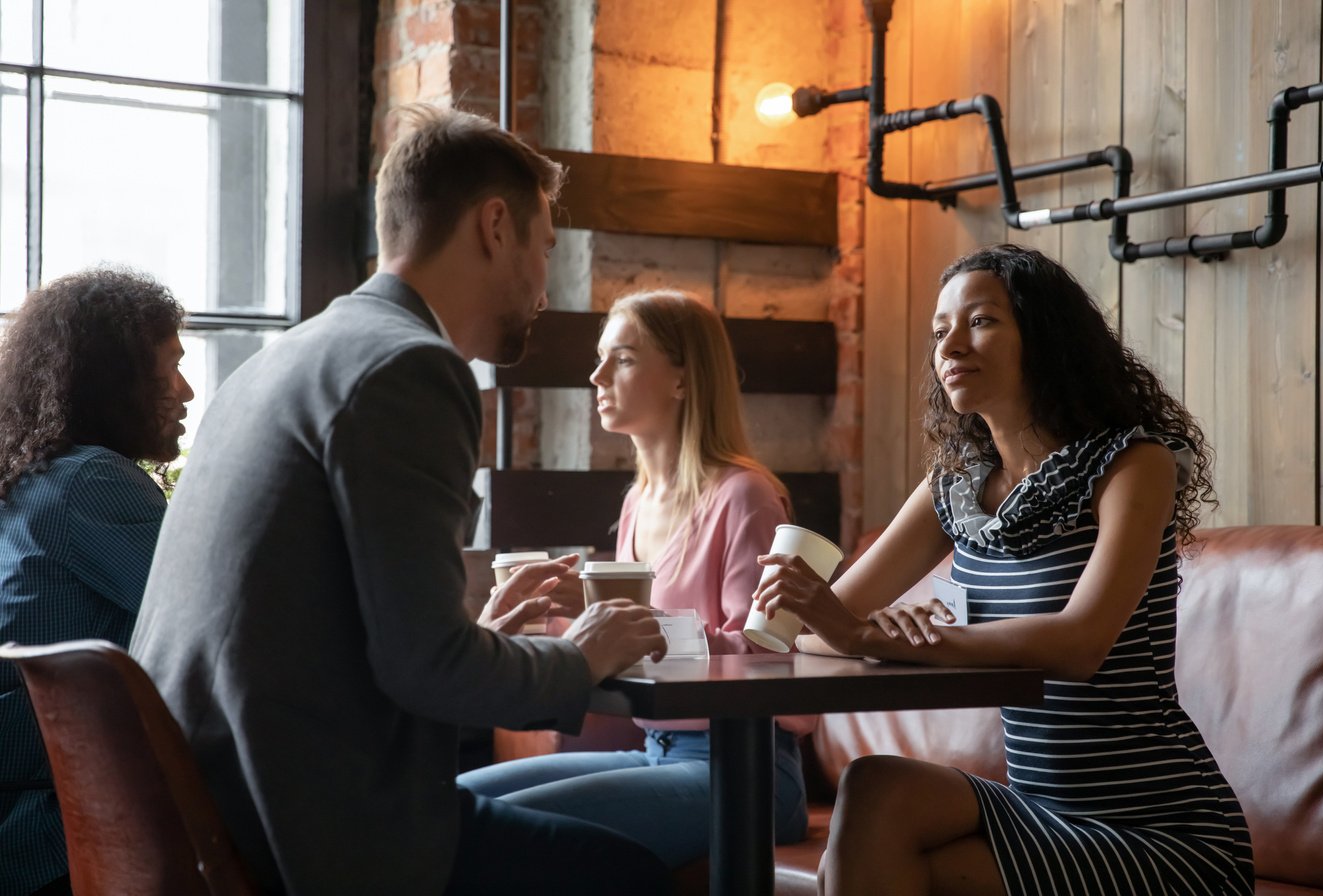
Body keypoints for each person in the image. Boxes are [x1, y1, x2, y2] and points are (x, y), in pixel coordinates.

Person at [129, 104, 670, 896]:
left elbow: (363, 643)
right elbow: (425, 669)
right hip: (309, 836)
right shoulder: (410, 369)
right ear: (495, 225)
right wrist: (578, 657)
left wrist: (478, 638)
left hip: (207, 816)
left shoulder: (284, 361)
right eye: (545, 247)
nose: (546, 287)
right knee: (631, 878)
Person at [755, 244, 1255, 895]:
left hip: (1161, 830)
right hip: (1043, 809)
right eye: (940, 332)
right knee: (875, 784)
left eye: (981, 321)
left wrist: (871, 636)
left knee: (885, 867)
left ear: (1044, 338)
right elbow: (823, 628)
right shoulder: (956, 484)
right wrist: (853, 620)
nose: (951, 346)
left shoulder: (1132, 465)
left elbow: (1081, 645)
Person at [459, 289, 812, 869]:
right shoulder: (638, 502)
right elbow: (634, 652)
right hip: (658, 750)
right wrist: (557, 616)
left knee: (494, 834)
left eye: (622, 359)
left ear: (682, 379)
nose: (596, 375)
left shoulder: (744, 496)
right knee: (461, 800)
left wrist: (633, 628)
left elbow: (766, 650)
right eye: (601, 358)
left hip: (749, 770)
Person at [0, 267, 194, 896]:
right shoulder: (92, 482)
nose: (187, 391)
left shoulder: (32, 478)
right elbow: (212, 625)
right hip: (63, 835)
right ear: (118, 383)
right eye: (169, 368)